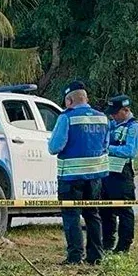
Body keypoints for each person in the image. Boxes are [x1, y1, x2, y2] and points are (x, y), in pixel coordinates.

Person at [47, 81, 109, 264]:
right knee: (93, 215)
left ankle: (75, 257)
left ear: (69, 100)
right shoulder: (102, 118)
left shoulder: (67, 117)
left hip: (71, 177)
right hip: (95, 176)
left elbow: (54, 147)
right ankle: (96, 256)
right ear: (86, 98)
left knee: (71, 216)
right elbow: (105, 146)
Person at [101, 95, 138, 253]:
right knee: (105, 210)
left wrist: (108, 149)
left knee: (124, 211)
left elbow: (130, 151)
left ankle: (123, 246)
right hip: (106, 173)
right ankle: (106, 243)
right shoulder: (112, 124)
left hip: (122, 174)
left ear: (125, 110)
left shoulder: (135, 127)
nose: (112, 115)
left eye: (115, 112)